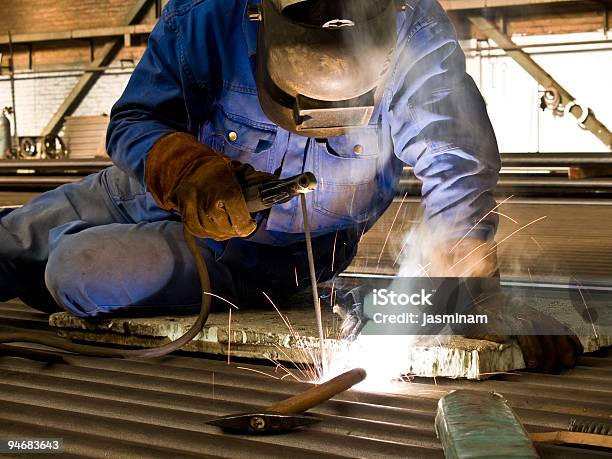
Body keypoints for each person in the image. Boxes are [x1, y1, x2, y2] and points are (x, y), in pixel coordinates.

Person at [0, 0, 581, 370]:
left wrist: (470, 298)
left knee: (76, 269)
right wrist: (187, 171)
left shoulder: (413, 29)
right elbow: (133, 121)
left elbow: (456, 163)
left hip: (248, 262)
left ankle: (51, 258)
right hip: (135, 190)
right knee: (8, 243)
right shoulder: (206, 15)